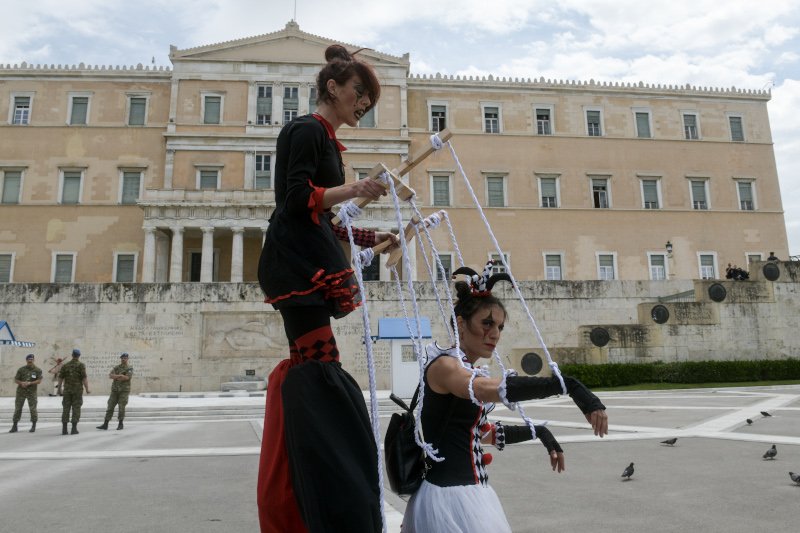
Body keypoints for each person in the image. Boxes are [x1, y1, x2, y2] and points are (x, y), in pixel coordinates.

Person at [256, 44, 399, 533]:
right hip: (294, 267)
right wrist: (357, 189)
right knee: (319, 365)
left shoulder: (327, 140)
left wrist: (369, 236)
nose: (364, 104)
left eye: (370, 99)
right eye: (360, 93)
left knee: (316, 365)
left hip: (304, 258)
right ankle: (313, 486)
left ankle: (309, 483)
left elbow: (326, 219)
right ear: (332, 88)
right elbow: (295, 199)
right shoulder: (303, 130)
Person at [401, 262, 609, 532]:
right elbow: (488, 389)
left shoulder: (464, 367)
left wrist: (539, 432)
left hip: (468, 493)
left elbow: (478, 434)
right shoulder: (447, 367)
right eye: (486, 324)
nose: (495, 334)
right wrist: (569, 386)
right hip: (449, 499)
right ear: (461, 324)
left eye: (499, 326)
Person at [96, 352, 133, 431]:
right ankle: (105, 424)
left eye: (125, 358)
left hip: (124, 391)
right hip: (115, 390)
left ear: (127, 359)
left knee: (121, 407)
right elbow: (110, 375)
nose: (124, 359)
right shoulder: (116, 367)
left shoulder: (129, 368)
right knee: (110, 406)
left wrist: (117, 377)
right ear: (121, 358)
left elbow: (127, 378)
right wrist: (120, 376)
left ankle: (120, 423)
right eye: (122, 358)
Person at [57, 348, 90, 435]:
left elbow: (60, 378)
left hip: (67, 390)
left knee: (66, 408)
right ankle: (74, 429)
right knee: (76, 408)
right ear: (79, 356)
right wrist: (87, 389)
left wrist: (59, 389)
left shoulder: (65, 365)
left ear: (72, 355)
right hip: (77, 391)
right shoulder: (81, 365)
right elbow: (84, 378)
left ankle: (64, 429)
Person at [10, 354, 42, 433]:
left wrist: (30, 383)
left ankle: (33, 425)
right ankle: (14, 426)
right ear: (26, 360)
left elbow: (39, 381)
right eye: (28, 359)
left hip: (32, 392)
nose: (30, 360)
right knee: (18, 408)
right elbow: (16, 379)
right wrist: (21, 383)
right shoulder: (21, 369)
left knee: (33, 409)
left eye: (31, 359)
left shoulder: (37, 370)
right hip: (21, 392)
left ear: (33, 360)